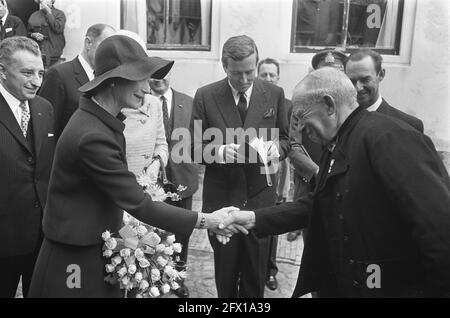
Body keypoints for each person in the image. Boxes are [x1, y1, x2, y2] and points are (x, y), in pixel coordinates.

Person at [28, 35, 236, 298]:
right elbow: (139, 203)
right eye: (141, 78)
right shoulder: (93, 135)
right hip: (74, 260)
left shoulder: (98, 122)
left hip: (90, 249)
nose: (148, 89)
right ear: (115, 80)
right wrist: (208, 220)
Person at [226, 67, 450, 297]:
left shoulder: (389, 137)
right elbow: (321, 202)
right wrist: (254, 218)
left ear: (329, 105)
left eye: (302, 116)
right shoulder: (339, 142)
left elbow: (439, 229)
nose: (300, 129)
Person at [190, 35, 290, 298]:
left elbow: (287, 140)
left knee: (255, 279)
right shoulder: (206, 95)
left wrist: (276, 149)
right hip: (222, 202)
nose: (245, 80)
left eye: (250, 72)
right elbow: (191, 147)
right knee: (225, 276)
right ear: (225, 67)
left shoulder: (275, 94)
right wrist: (220, 152)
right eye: (237, 74)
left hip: (260, 201)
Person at [0, 36, 54, 297]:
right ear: (2, 71)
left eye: (40, 73)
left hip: (41, 239)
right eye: (27, 73)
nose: (37, 81)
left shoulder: (45, 108)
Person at [149, 71, 200, 298]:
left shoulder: (189, 103)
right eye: (154, 77)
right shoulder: (140, 102)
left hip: (182, 179)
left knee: (182, 231)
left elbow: (198, 141)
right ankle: (152, 275)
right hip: (152, 180)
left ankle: (177, 277)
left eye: (164, 76)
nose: (159, 81)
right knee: (152, 231)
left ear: (172, 76)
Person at [39, 23, 115, 141]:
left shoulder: (106, 79)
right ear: (88, 43)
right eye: (106, 47)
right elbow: (46, 128)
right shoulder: (59, 75)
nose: (110, 54)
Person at [256, 57, 290, 291]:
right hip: (253, 168)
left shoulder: (284, 104)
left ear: (278, 78)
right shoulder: (250, 102)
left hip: (275, 167)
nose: (268, 78)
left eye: (272, 75)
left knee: (273, 223)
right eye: (264, 74)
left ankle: (270, 270)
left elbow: (289, 140)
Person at [345, 48, 424, 132]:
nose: (358, 88)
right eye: (352, 81)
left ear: (381, 75)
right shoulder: (339, 121)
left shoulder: (408, 125)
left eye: (365, 80)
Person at [27, 0, 66, 69]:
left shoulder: (59, 14)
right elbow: (28, 33)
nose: (43, 2)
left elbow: (58, 29)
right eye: (41, 0)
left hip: (54, 56)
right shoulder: (34, 15)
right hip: (38, 55)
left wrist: (48, 13)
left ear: (52, 1)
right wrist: (33, 35)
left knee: (53, 77)